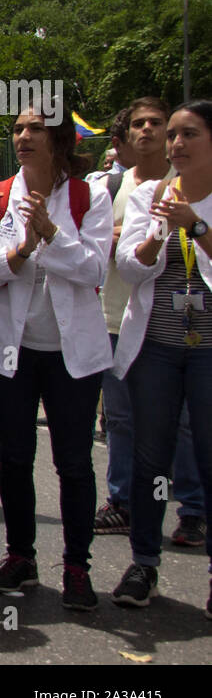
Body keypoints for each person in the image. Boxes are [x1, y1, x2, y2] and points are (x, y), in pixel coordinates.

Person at [0, 102, 112, 610]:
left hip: (71, 356)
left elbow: (94, 271)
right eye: (17, 128)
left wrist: (52, 233)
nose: (23, 136)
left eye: (35, 128)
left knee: (73, 462)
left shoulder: (89, 196)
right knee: (14, 458)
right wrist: (24, 248)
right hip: (9, 351)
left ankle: (77, 566)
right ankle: (20, 556)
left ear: (59, 140)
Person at [110, 99, 212, 617]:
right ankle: (144, 563)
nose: (175, 143)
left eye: (188, 133)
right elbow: (129, 267)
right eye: (173, 134)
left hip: (208, 352)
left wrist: (197, 226)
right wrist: (159, 233)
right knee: (151, 459)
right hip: (156, 349)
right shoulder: (151, 195)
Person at [93, 98, 205, 544]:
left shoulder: (196, 192)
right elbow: (122, 260)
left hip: (197, 339)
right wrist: (155, 230)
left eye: (161, 125)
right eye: (138, 124)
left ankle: (193, 510)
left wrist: (194, 225)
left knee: (188, 428)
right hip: (127, 325)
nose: (151, 132)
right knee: (124, 423)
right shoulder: (124, 189)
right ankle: (125, 509)